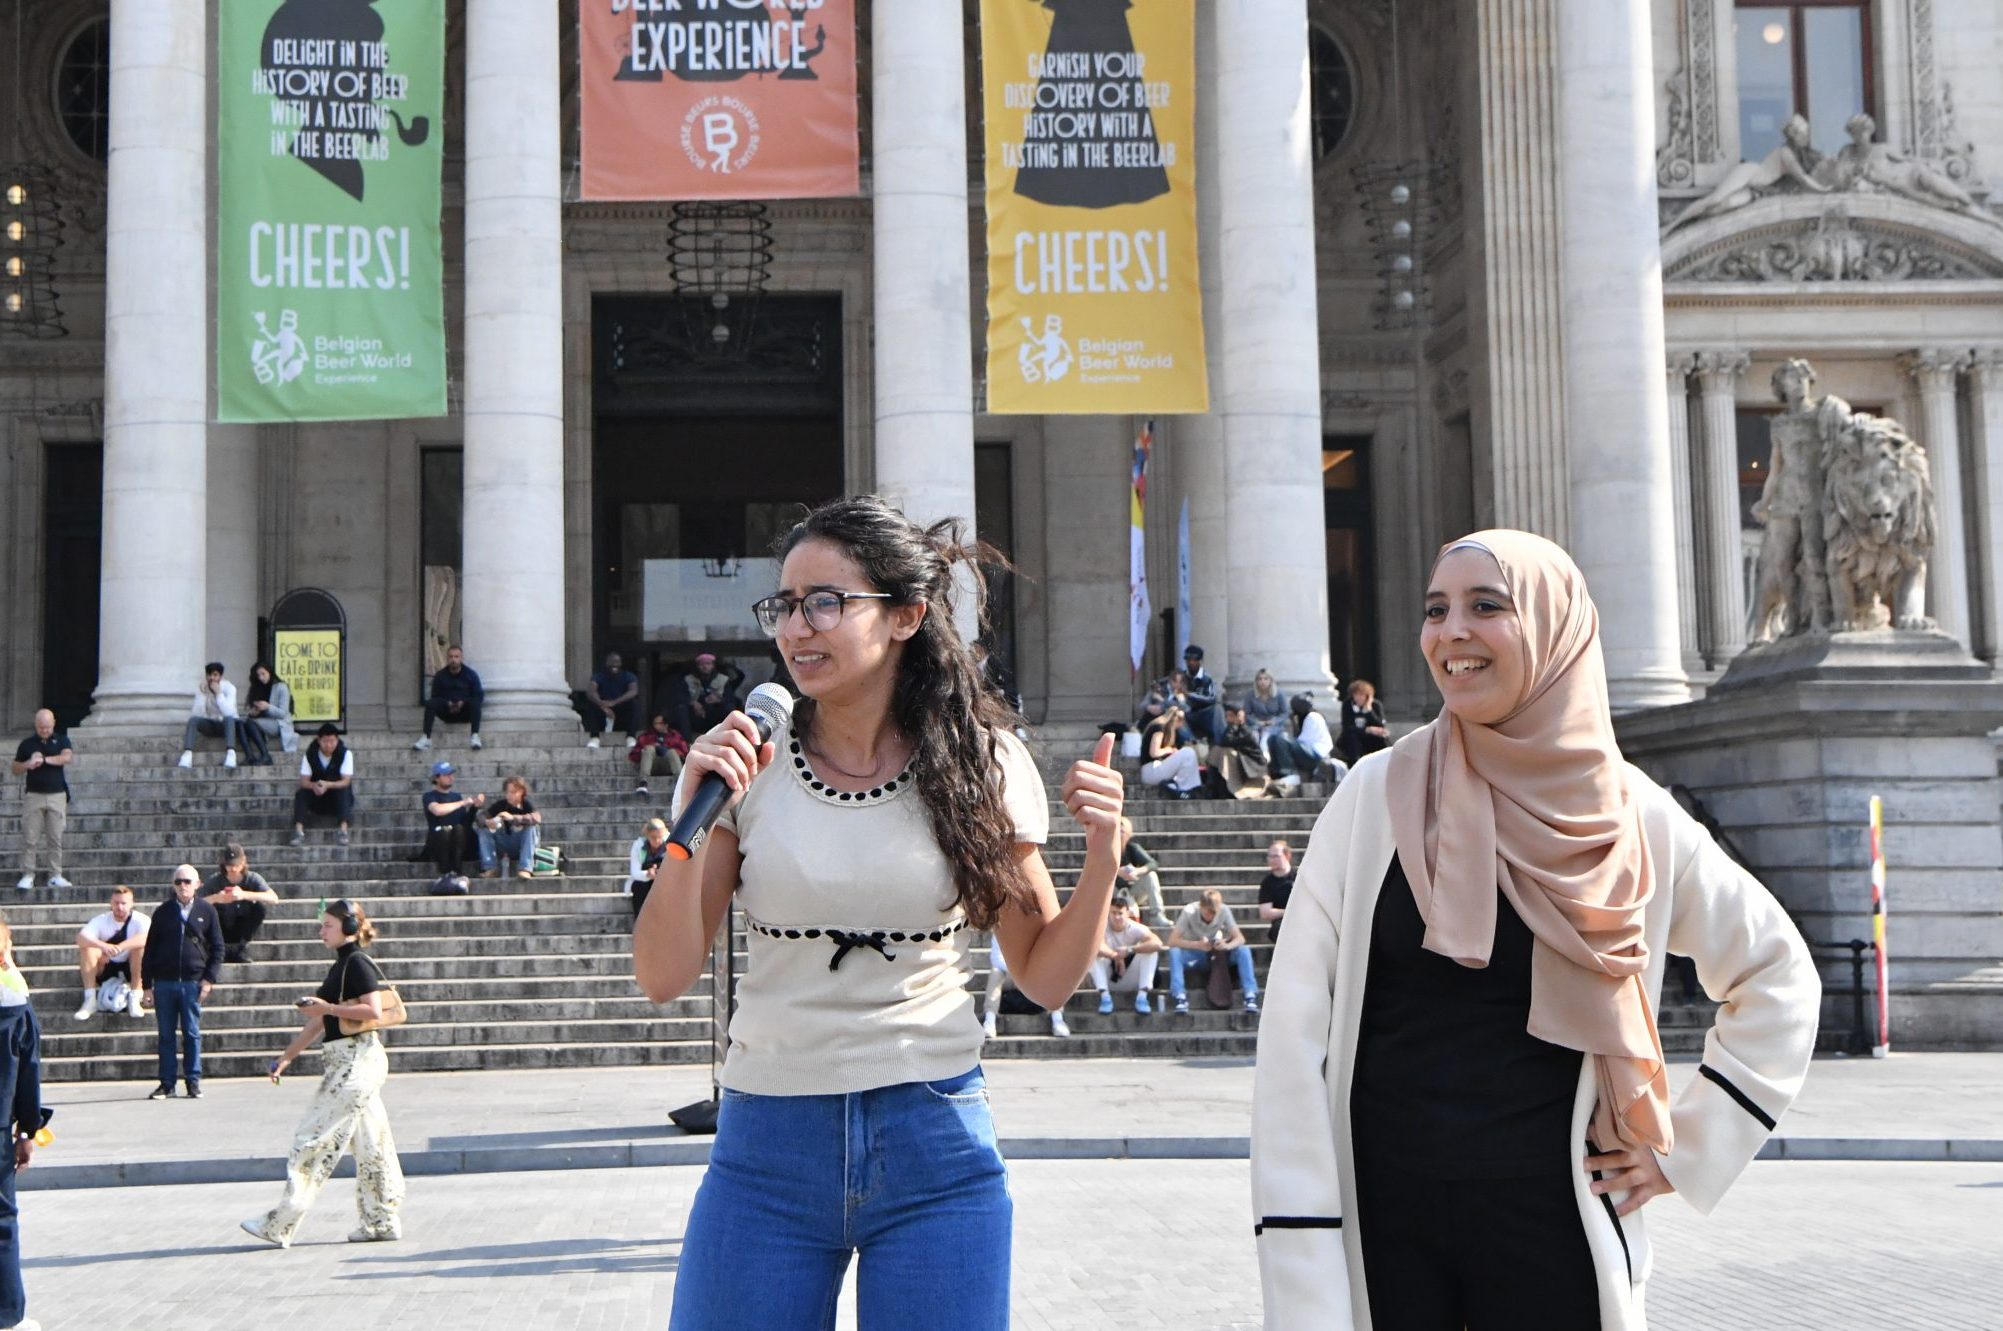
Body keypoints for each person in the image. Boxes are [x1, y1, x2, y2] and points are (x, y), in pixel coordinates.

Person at [1251, 530, 1821, 1331]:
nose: (1451, 631)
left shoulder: (1633, 817)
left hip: (1556, 1231)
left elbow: (1777, 972)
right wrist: (1296, 1224)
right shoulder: (1373, 796)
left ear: (1556, 629)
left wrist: (1685, 1143)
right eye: (1435, 608)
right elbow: (1293, 1031)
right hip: (1381, 1231)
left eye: (1487, 606)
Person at [633, 494, 1123, 1329]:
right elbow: (662, 974)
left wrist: (1104, 857)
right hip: (767, 1147)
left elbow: (1042, 976)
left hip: (935, 1143)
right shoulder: (746, 761)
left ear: (904, 616)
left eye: (826, 601)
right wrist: (692, 816)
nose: (796, 627)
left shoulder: (982, 760)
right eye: (783, 604)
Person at [243, 899, 405, 1248]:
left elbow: (371, 1010)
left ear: (347, 928)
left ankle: (280, 1223)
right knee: (372, 1143)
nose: (321, 931)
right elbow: (320, 1021)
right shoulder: (341, 966)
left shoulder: (357, 963)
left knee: (312, 1140)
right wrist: (286, 1057)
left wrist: (328, 1007)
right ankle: (381, 1219)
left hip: (355, 1061)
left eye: (327, 925)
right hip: (350, 1059)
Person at [0, 911, 46, 1331]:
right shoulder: (15, 1005)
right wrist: (28, 1130)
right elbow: (28, 1072)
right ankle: (8, 1316)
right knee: (2, 1223)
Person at [140, 865, 223, 1100]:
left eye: (187, 881)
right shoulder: (163, 912)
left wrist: (209, 979)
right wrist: (147, 985)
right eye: (178, 882)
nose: (183, 886)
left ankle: (193, 1082)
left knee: (191, 1033)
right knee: (165, 1035)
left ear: (197, 884)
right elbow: (150, 950)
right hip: (165, 982)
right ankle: (166, 1083)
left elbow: (218, 947)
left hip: (192, 982)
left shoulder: (206, 910)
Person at [1166, 888, 1258, 1015]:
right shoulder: (1189, 911)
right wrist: (1196, 945)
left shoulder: (1224, 910)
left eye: (1214, 913)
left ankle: (1250, 993)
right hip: (1196, 954)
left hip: (1217, 953)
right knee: (1175, 952)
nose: (1211, 916)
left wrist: (1226, 945)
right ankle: (1179, 995)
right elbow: (1172, 941)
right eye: (1208, 913)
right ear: (1201, 906)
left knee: (1244, 950)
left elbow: (1240, 938)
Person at [12, 711, 71, 892]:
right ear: (35, 725)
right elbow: (15, 768)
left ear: (53, 723)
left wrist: (44, 760)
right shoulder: (27, 744)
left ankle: (55, 875)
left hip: (56, 795)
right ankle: (28, 875)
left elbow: (67, 757)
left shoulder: (61, 740)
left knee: (55, 837)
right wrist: (28, 764)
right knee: (30, 837)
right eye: (40, 727)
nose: (44, 730)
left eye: (47, 727)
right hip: (34, 795)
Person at [73, 885, 148, 1021]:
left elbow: (148, 937)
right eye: (116, 903)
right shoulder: (101, 919)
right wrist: (103, 946)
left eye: (124, 903)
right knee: (88, 948)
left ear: (131, 904)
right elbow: (80, 938)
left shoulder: (140, 920)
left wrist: (121, 947)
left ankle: (135, 996)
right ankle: (90, 999)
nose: (120, 907)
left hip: (131, 966)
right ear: (111, 904)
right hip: (106, 965)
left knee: (140, 949)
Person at [980, 934, 1072, 1040]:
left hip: (1032, 976)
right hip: (1010, 976)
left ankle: (1057, 1019)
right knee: (995, 972)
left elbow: (1045, 957)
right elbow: (996, 959)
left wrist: (1028, 973)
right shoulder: (1000, 932)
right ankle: (989, 1020)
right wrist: (1018, 972)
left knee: (1050, 972)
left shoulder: (1034, 930)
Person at [201, 842, 280, 964]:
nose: (233, 869)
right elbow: (195, 903)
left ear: (243, 862)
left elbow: (273, 898)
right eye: (229, 865)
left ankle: (239, 948)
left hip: (242, 925)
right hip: (222, 923)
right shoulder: (215, 881)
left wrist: (244, 895)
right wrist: (216, 898)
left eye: (236, 865)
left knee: (259, 908)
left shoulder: (252, 878)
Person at [1089, 891, 1162, 1014]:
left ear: (1127, 913)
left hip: (1131, 977)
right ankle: (1105, 998)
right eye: (1113, 913)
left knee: (1151, 952)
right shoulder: (1101, 927)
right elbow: (1096, 946)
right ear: (1107, 913)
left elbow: (1158, 944)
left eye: (1120, 913)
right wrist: (1115, 956)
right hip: (1108, 979)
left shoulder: (1135, 928)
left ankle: (1142, 997)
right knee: (1092, 954)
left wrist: (1129, 950)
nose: (1117, 917)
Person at [422, 761, 483, 890]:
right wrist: (462, 803)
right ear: (436, 778)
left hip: (458, 841)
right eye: (446, 775)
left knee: (460, 829)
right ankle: (445, 871)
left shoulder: (456, 796)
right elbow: (437, 810)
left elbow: (465, 822)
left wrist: (474, 808)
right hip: (438, 841)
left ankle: (456, 870)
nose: (450, 777)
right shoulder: (429, 796)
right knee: (445, 830)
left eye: (451, 774)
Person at [290, 724, 355, 847]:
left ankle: (343, 831)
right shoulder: (310, 754)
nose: (329, 745)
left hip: (336, 796)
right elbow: (304, 781)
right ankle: (298, 831)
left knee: (344, 791)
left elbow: (346, 781)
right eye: (325, 741)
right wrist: (315, 785)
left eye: (332, 741)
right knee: (301, 794)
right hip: (317, 796)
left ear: (337, 740)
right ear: (319, 740)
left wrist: (328, 784)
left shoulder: (345, 754)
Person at [1267, 692, 1346, 789]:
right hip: (1308, 751)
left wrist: (1291, 739)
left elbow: (1304, 741)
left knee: (1281, 738)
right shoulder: (1304, 719)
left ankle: (1288, 773)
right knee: (1272, 738)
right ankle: (1277, 773)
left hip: (1317, 754)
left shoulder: (1313, 717)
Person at [413, 645, 483, 751]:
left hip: (465, 712)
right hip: (447, 712)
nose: (453, 660)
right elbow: (435, 696)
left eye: (456, 657)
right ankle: (426, 737)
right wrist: (447, 703)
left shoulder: (471, 675)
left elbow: (478, 695)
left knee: (475, 703)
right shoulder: (440, 676)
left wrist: (463, 702)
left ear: (461, 658)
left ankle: (475, 736)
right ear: (447, 658)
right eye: (451, 657)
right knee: (431, 703)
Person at [177, 662, 243, 770]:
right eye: (209, 675)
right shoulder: (202, 688)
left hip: (226, 725)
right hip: (210, 724)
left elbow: (229, 712)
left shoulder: (229, 688)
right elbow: (196, 714)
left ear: (220, 676)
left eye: (215, 675)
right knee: (193, 720)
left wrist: (218, 694)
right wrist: (203, 695)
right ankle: (187, 754)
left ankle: (231, 753)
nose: (212, 678)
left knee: (229, 719)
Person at [477, 775, 542, 879]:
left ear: (521, 792)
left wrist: (513, 818)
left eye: (512, 792)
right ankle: (491, 868)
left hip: (521, 845)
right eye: (507, 792)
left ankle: (525, 869)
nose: (509, 796)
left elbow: (536, 818)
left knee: (531, 828)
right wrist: (487, 822)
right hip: (504, 844)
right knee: (483, 830)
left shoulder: (527, 805)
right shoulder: (501, 805)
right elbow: (481, 817)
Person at [1116, 816, 1172, 929]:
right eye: (1117, 831)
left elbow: (1153, 864)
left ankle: (1157, 915)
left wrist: (1137, 871)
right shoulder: (1106, 849)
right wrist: (1116, 872)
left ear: (1128, 834)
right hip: (1112, 893)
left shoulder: (1132, 849)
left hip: (1131, 893)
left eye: (1122, 831)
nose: (1120, 835)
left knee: (1151, 875)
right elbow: (1095, 869)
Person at [1217, 702, 1280, 799]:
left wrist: (1235, 723)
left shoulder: (1246, 731)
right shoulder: (1235, 729)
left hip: (1255, 768)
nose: (1227, 719)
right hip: (1244, 766)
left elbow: (1227, 741)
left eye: (1230, 716)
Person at [1139, 703, 1203, 799]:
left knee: (1187, 755)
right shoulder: (1159, 727)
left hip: (1155, 768)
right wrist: (1169, 750)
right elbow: (1154, 752)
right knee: (1188, 752)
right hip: (1150, 770)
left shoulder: (1166, 729)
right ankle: (1184, 789)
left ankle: (1183, 787)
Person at [677, 652, 746, 740]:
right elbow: (680, 697)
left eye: (708, 664)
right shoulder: (688, 679)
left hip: (714, 714)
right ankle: (686, 740)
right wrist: (693, 703)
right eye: (702, 664)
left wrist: (719, 700)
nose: (705, 667)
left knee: (730, 708)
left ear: (713, 665)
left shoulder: (722, 680)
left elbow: (730, 699)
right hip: (695, 715)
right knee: (681, 709)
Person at [583, 652, 642, 749]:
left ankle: (631, 737)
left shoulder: (628, 676)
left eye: (617, 662)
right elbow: (591, 691)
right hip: (603, 708)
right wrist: (602, 705)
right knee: (592, 705)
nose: (614, 665)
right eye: (611, 662)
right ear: (606, 663)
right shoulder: (599, 676)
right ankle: (594, 737)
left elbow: (633, 691)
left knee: (633, 704)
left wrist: (615, 702)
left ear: (621, 663)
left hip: (621, 709)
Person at [242, 662, 295, 759]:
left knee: (250, 723)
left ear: (269, 672)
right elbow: (246, 710)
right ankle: (249, 755)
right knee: (242, 723)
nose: (261, 678)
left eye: (263, 674)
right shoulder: (256, 687)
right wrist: (253, 713)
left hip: (280, 723)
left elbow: (283, 713)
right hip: (262, 721)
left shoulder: (281, 687)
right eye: (258, 675)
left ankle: (265, 754)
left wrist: (268, 707)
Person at [630, 713, 688, 798]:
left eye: (658, 723)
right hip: (651, 765)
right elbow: (633, 755)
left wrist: (667, 749)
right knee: (649, 748)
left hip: (670, 765)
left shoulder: (675, 736)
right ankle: (643, 783)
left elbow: (685, 752)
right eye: (654, 723)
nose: (655, 726)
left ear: (665, 725)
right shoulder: (646, 736)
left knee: (672, 752)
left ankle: (680, 784)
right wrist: (652, 747)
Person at [1336, 678, 1390, 766]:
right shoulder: (1347, 705)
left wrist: (1369, 711)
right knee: (1351, 736)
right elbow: (1347, 727)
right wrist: (1367, 729)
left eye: (1361, 695)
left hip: (1371, 738)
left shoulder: (1375, 705)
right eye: (1356, 695)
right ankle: (1355, 762)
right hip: (1354, 737)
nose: (1358, 698)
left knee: (1382, 737)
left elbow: (1380, 725)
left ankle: (1384, 762)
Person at [1179, 644, 1225, 745]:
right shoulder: (1181, 677)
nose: (1191, 663)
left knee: (1218, 709)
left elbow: (1212, 698)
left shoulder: (1207, 679)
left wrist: (1189, 694)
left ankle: (1221, 745)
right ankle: (1193, 744)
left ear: (1200, 661)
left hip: (1204, 714)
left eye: (1194, 660)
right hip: (1186, 713)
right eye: (1188, 660)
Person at [625, 818, 669, 920]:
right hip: (644, 879)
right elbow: (635, 872)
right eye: (653, 837)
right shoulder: (638, 846)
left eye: (660, 837)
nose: (657, 841)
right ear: (647, 835)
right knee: (639, 886)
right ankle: (640, 921)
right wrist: (648, 874)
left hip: (664, 878)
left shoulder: (670, 843)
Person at [1256, 839, 1296, 947]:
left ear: (1287, 856)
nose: (1271, 860)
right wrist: (1288, 912)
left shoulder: (1300, 877)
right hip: (1281, 923)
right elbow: (1265, 912)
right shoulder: (1267, 883)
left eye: (1276, 856)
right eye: (1270, 856)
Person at [1245, 668, 1289, 748]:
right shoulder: (1250, 694)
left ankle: (1264, 756)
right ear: (1256, 681)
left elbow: (1285, 713)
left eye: (1266, 679)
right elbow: (1247, 714)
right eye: (1260, 679)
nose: (1262, 682)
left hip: (1274, 725)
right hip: (1256, 724)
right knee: (1254, 736)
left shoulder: (1279, 694)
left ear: (1271, 681)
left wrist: (1274, 721)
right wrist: (1256, 722)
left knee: (1266, 736)